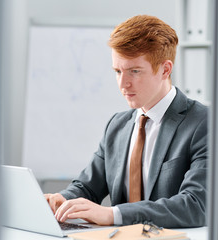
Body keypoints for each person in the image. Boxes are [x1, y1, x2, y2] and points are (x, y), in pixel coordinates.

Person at [44, 15, 207, 228]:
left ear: (165, 69)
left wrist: (113, 214)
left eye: (134, 71)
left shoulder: (202, 122)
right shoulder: (117, 125)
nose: (123, 84)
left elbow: (196, 206)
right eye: (118, 71)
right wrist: (63, 200)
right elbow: (87, 187)